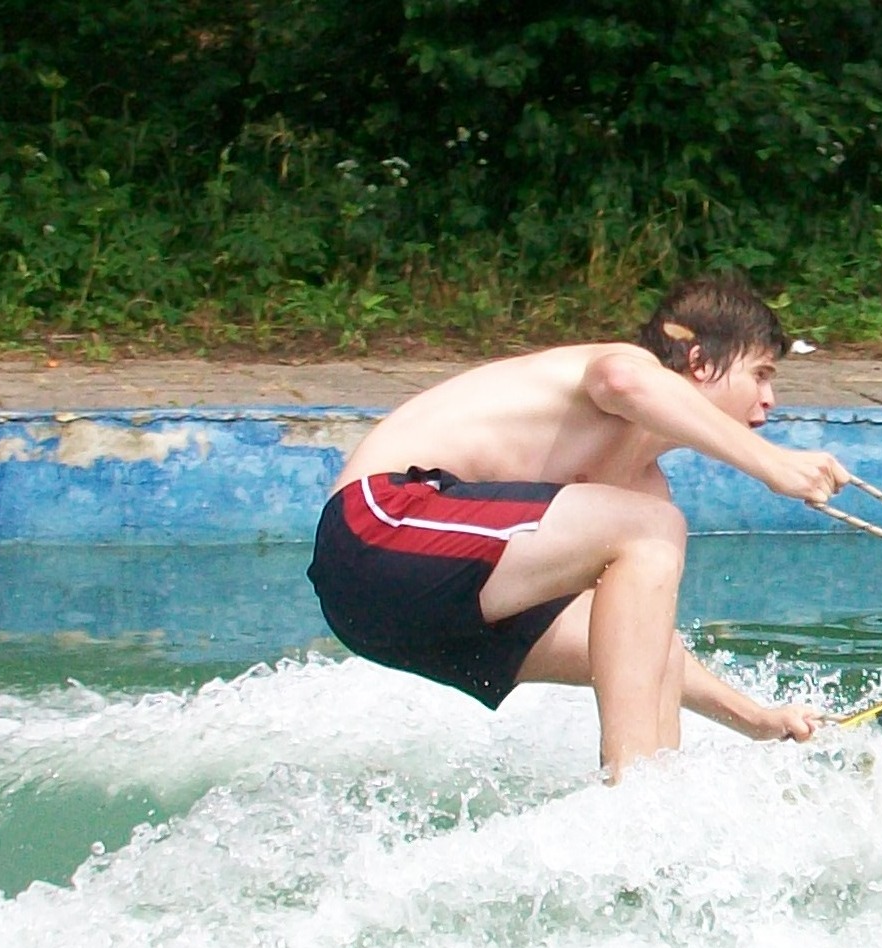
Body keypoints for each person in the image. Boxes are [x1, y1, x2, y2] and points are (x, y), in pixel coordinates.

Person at [307, 276, 850, 779]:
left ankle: (656, 803)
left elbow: (638, 648)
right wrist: (771, 463)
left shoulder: (641, 492)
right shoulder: (627, 365)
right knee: (653, 528)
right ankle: (630, 785)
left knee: (653, 641)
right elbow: (623, 382)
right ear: (700, 361)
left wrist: (756, 720)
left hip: (397, 617)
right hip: (374, 532)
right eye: (760, 374)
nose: (769, 399)